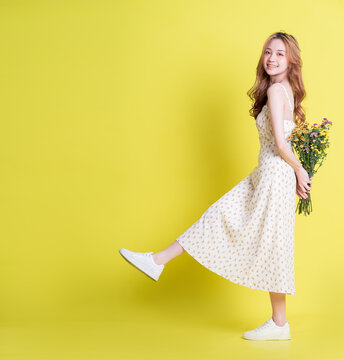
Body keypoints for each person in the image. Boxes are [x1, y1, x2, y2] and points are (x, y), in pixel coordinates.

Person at [119, 31, 312, 341]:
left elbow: (279, 140)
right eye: (267, 52)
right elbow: (288, 140)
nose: (271, 58)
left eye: (279, 53)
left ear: (291, 60)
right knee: (231, 221)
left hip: (273, 176)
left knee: (262, 241)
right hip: (269, 175)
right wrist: (299, 173)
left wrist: (299, 171)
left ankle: (279, 323)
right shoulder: (285, 90)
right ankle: (157, 261)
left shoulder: (278, 91)